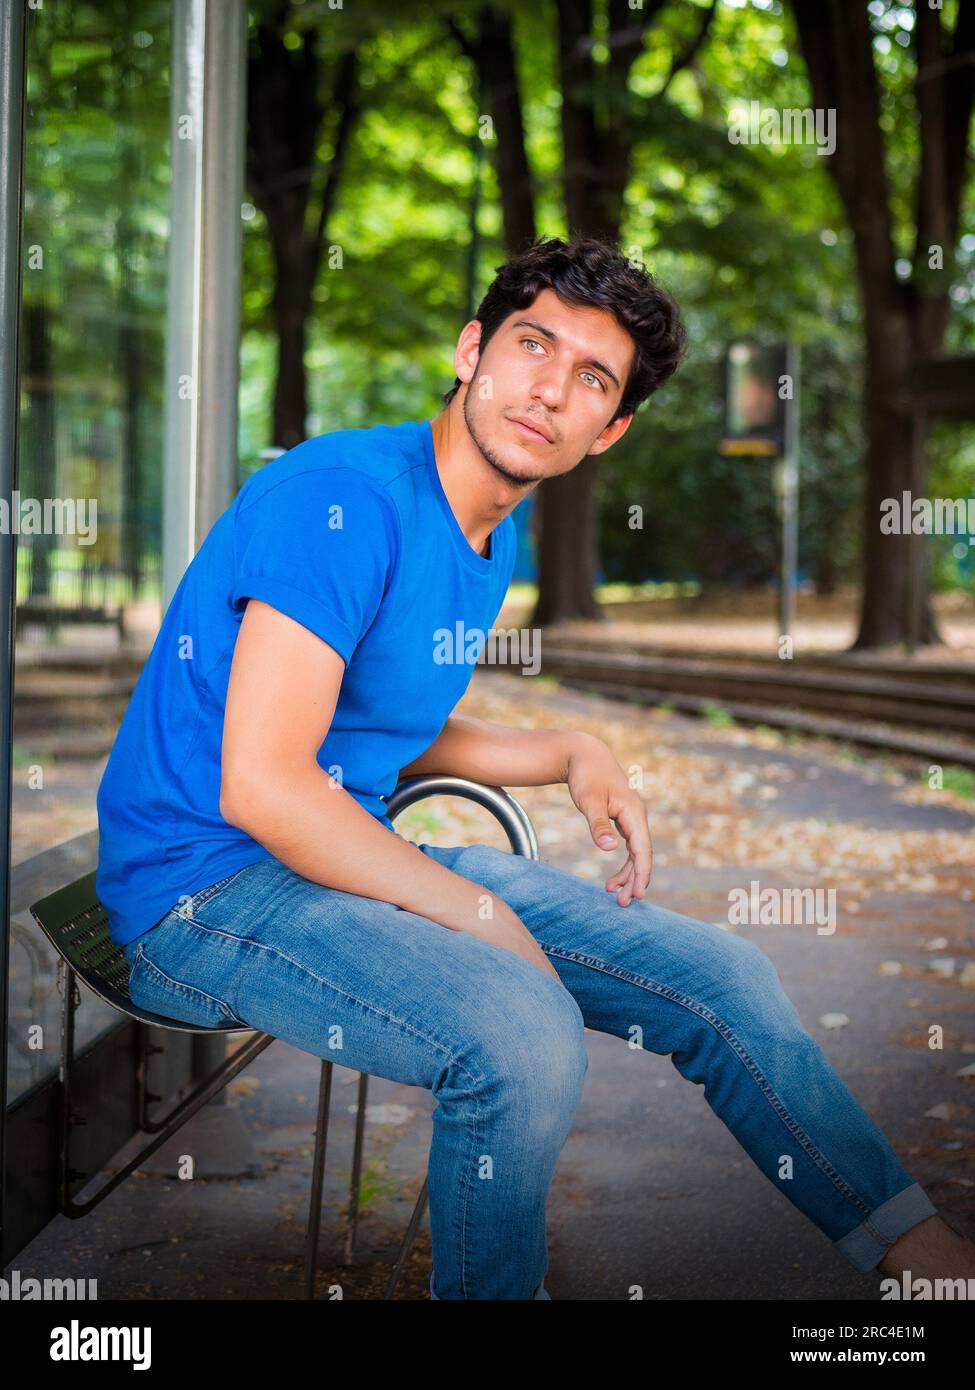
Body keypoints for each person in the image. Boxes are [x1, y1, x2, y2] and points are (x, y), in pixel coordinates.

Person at [95, 236, 973, 1299]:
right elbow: (265, 784)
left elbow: (377, 719)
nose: (550, 390)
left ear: (610, 431)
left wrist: (567, 750)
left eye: (591, 380)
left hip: (330, 859)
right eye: (532, 346)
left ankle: (922, 1261)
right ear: (472, 350)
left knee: (722, 978)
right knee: (522, 1034)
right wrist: (472, 915)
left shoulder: (484, 534)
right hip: (202, 891)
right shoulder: (343, 498)